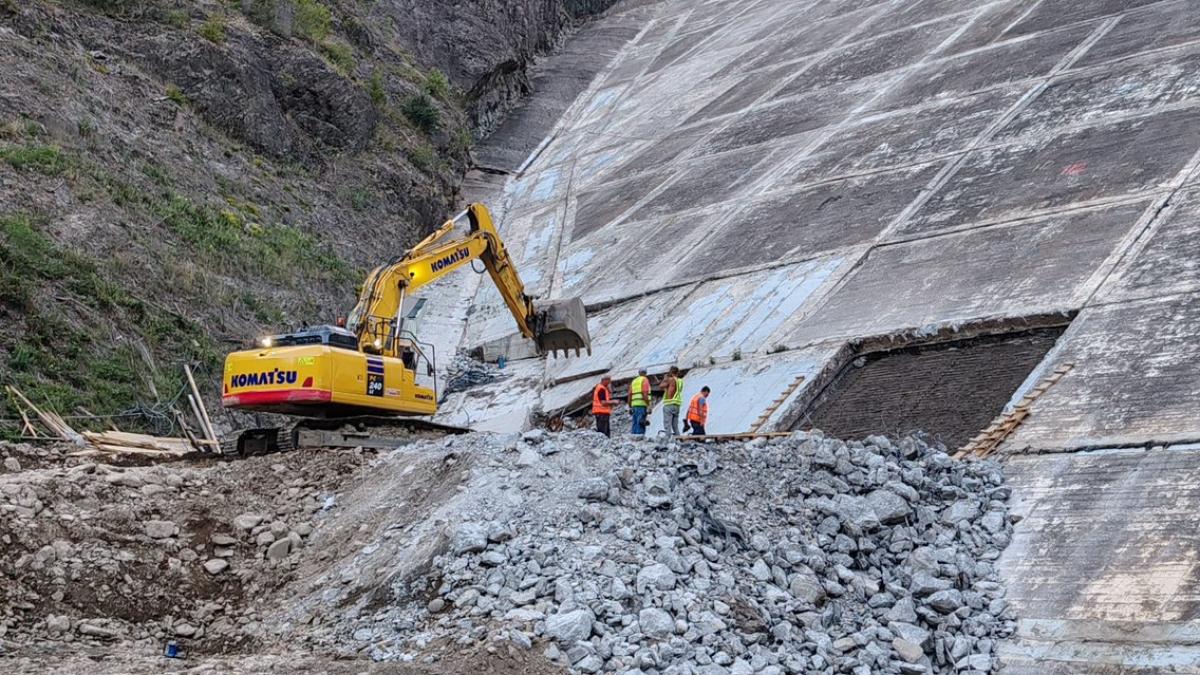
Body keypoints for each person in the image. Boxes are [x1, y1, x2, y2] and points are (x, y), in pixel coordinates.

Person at [660, 366, 684, 435]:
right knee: (675, 426)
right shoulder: (680, 381)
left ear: (671, 372)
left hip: (669, 404)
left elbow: (661, 386)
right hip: (677, 404)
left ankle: (668, 438)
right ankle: (678, 438)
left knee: (667, 424)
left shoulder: (670, 380)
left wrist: (665, 379)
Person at [629, 368, 652, 436]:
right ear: (645, 373)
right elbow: (644, 393)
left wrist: (630, 406)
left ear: (639, 373)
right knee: (641, 423)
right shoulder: (645, 380)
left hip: (634, 405)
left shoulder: (634, 381)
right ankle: (639, 438)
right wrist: (648, 405)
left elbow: (629, 394)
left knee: (635, 423)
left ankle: (633, 438)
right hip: (642, 405)